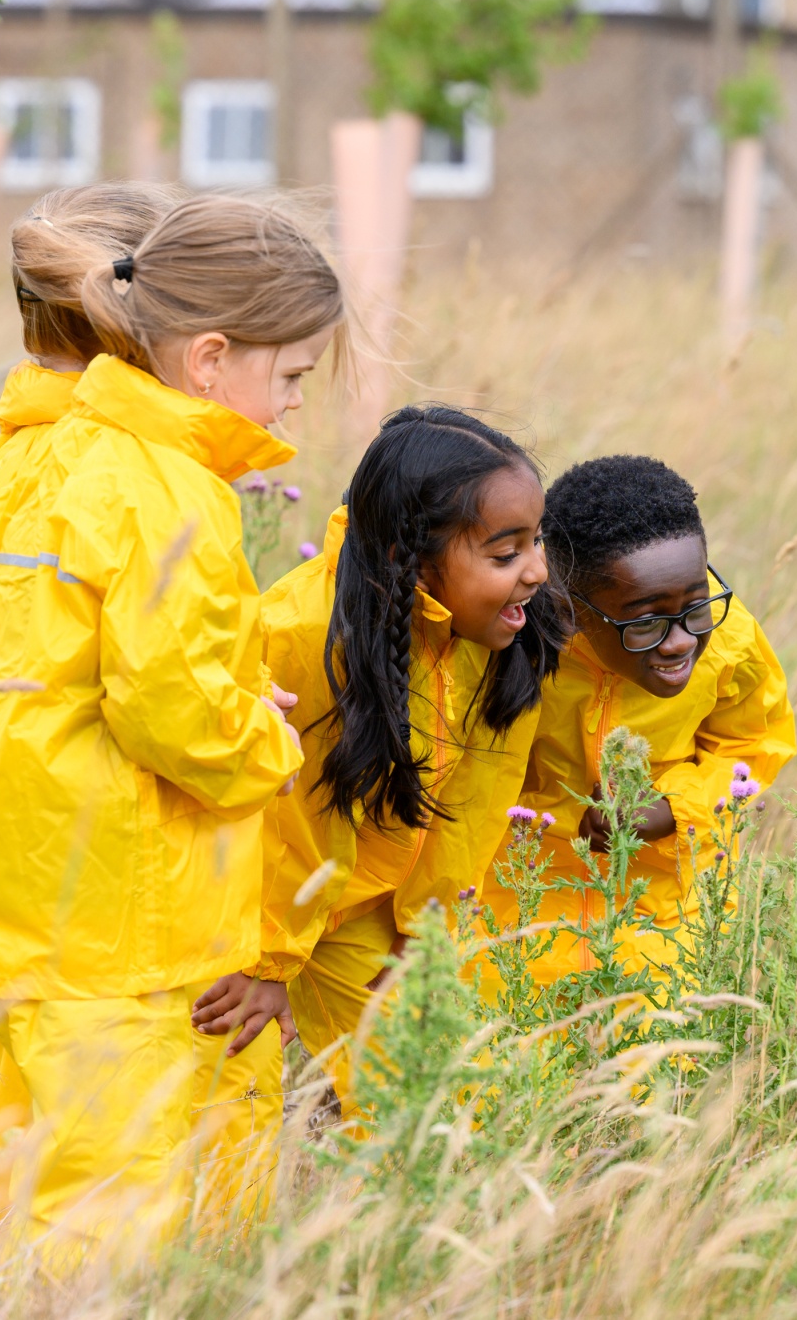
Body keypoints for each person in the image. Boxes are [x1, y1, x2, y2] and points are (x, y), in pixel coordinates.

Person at [0, 193, 345, 1258]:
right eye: (292, 373)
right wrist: (269, 735)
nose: (295, 402)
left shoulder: (31, 456)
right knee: (110, 1205)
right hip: (115, 902)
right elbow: (176, 716)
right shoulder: (163, 489)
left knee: (40, 1164)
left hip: (10, 877)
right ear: (207, 357)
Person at [195, 406, 567, 1116]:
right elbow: (288, 823)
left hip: (373, 903)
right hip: (264, 904)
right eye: (505, 555)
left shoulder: (500, 632)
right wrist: (271, 962)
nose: (538, 571)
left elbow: (475, 802)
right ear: (411, 558)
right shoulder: (303, 635)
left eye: (537, 539)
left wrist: (422, 937)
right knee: (264, 1092)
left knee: (450, 1092)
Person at [480, 454, 796, 989]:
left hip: (669, 920)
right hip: (521, 917)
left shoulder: (730, 639)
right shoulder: (512, 640)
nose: (680, 641)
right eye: (646, 623)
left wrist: (672, 809)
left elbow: (752, 745)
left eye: (696, 605)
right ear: (568, 606)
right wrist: (560, 818)